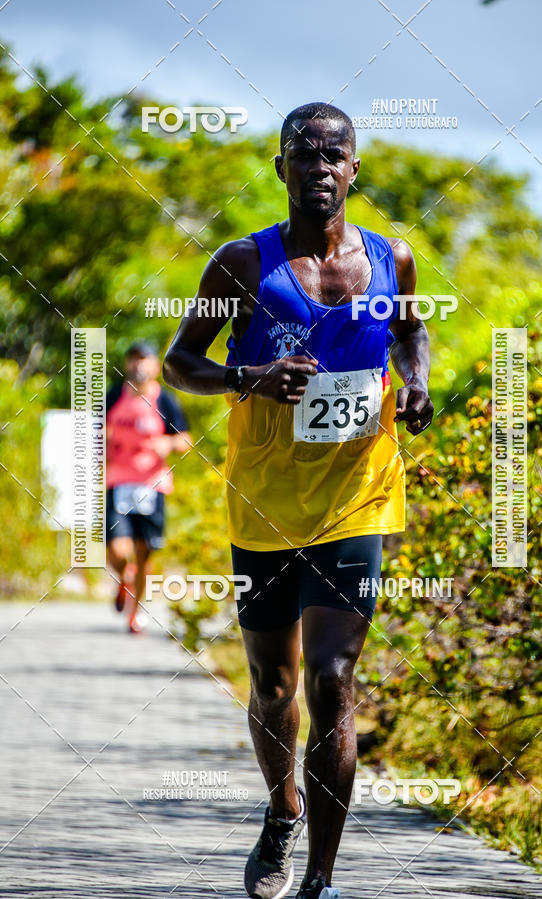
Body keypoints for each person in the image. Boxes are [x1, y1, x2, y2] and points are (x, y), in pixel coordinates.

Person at [163, 102, 433, 898]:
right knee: (274, 684)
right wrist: (247, 378)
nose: (319, 166)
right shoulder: (241, 265)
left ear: (355, 169)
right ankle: (281, 809)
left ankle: (320, 877)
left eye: (334, 154)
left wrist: (416, 381)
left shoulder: (394, 258)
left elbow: (411, 330)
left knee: (332, 678)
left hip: (359, 495)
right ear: (281, 169)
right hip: (265, 503)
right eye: (302, 153)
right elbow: (181, 363)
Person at [106, 340, 190, 633]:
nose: (137, 365)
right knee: (116, 549)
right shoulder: (114, 395)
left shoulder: (165, 401)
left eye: (144, 359)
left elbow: (186, 439)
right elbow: (96, 430)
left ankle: (135, 611)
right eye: (132, 358)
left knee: (145, 553)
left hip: (152, 486)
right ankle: (124, 576)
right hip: (118, 482)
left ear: (155, 365)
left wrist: (167, 442)